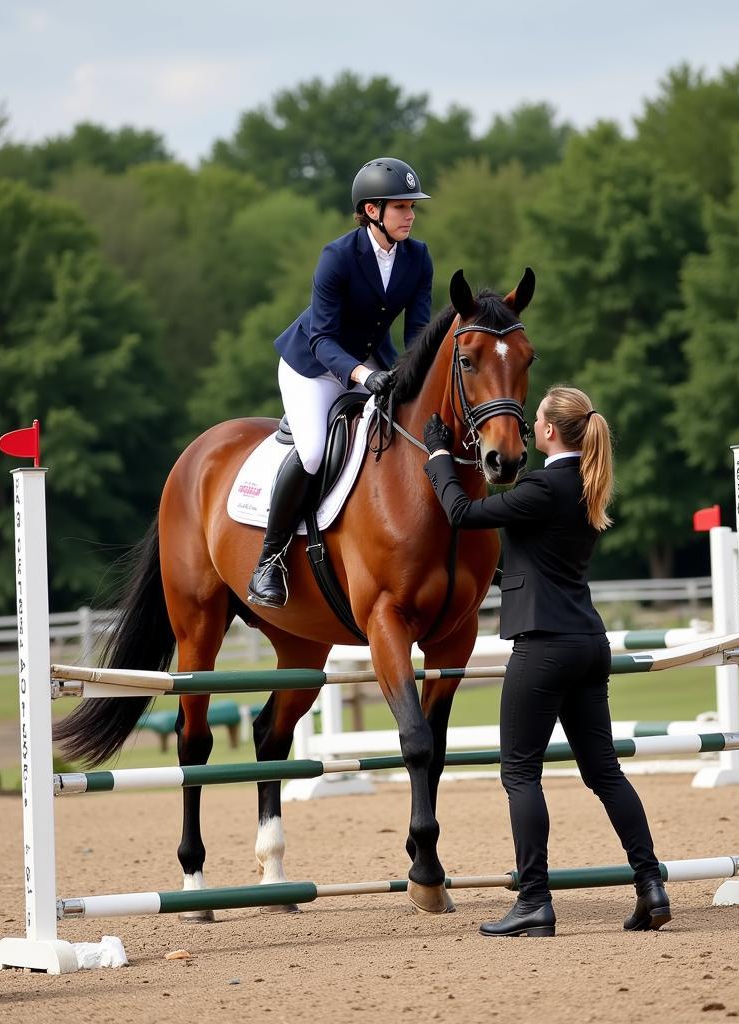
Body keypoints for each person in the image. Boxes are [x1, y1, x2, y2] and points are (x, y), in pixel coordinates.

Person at [421, 386, 670, 937]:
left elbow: (461, 512)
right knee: (604, 771)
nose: (530, 428)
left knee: (519, 772)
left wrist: (438, 456)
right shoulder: (585, 483)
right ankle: (651, 884)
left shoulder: (543, 486)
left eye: (535, 420)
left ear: (552, 431)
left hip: (544, 645)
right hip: (587, 642)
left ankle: (534, 899)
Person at [247, 157, 433, 608]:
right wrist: (366, 376)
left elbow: (418, 333)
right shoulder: (337, 257)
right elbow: (322, 338)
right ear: (372, 211)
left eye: (413, 206)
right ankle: (268, 561)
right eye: (401, 206)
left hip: (374, 359)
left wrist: (416, 376)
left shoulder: (418, 257)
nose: (410, 214)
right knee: (312, 450)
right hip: (312, 364)